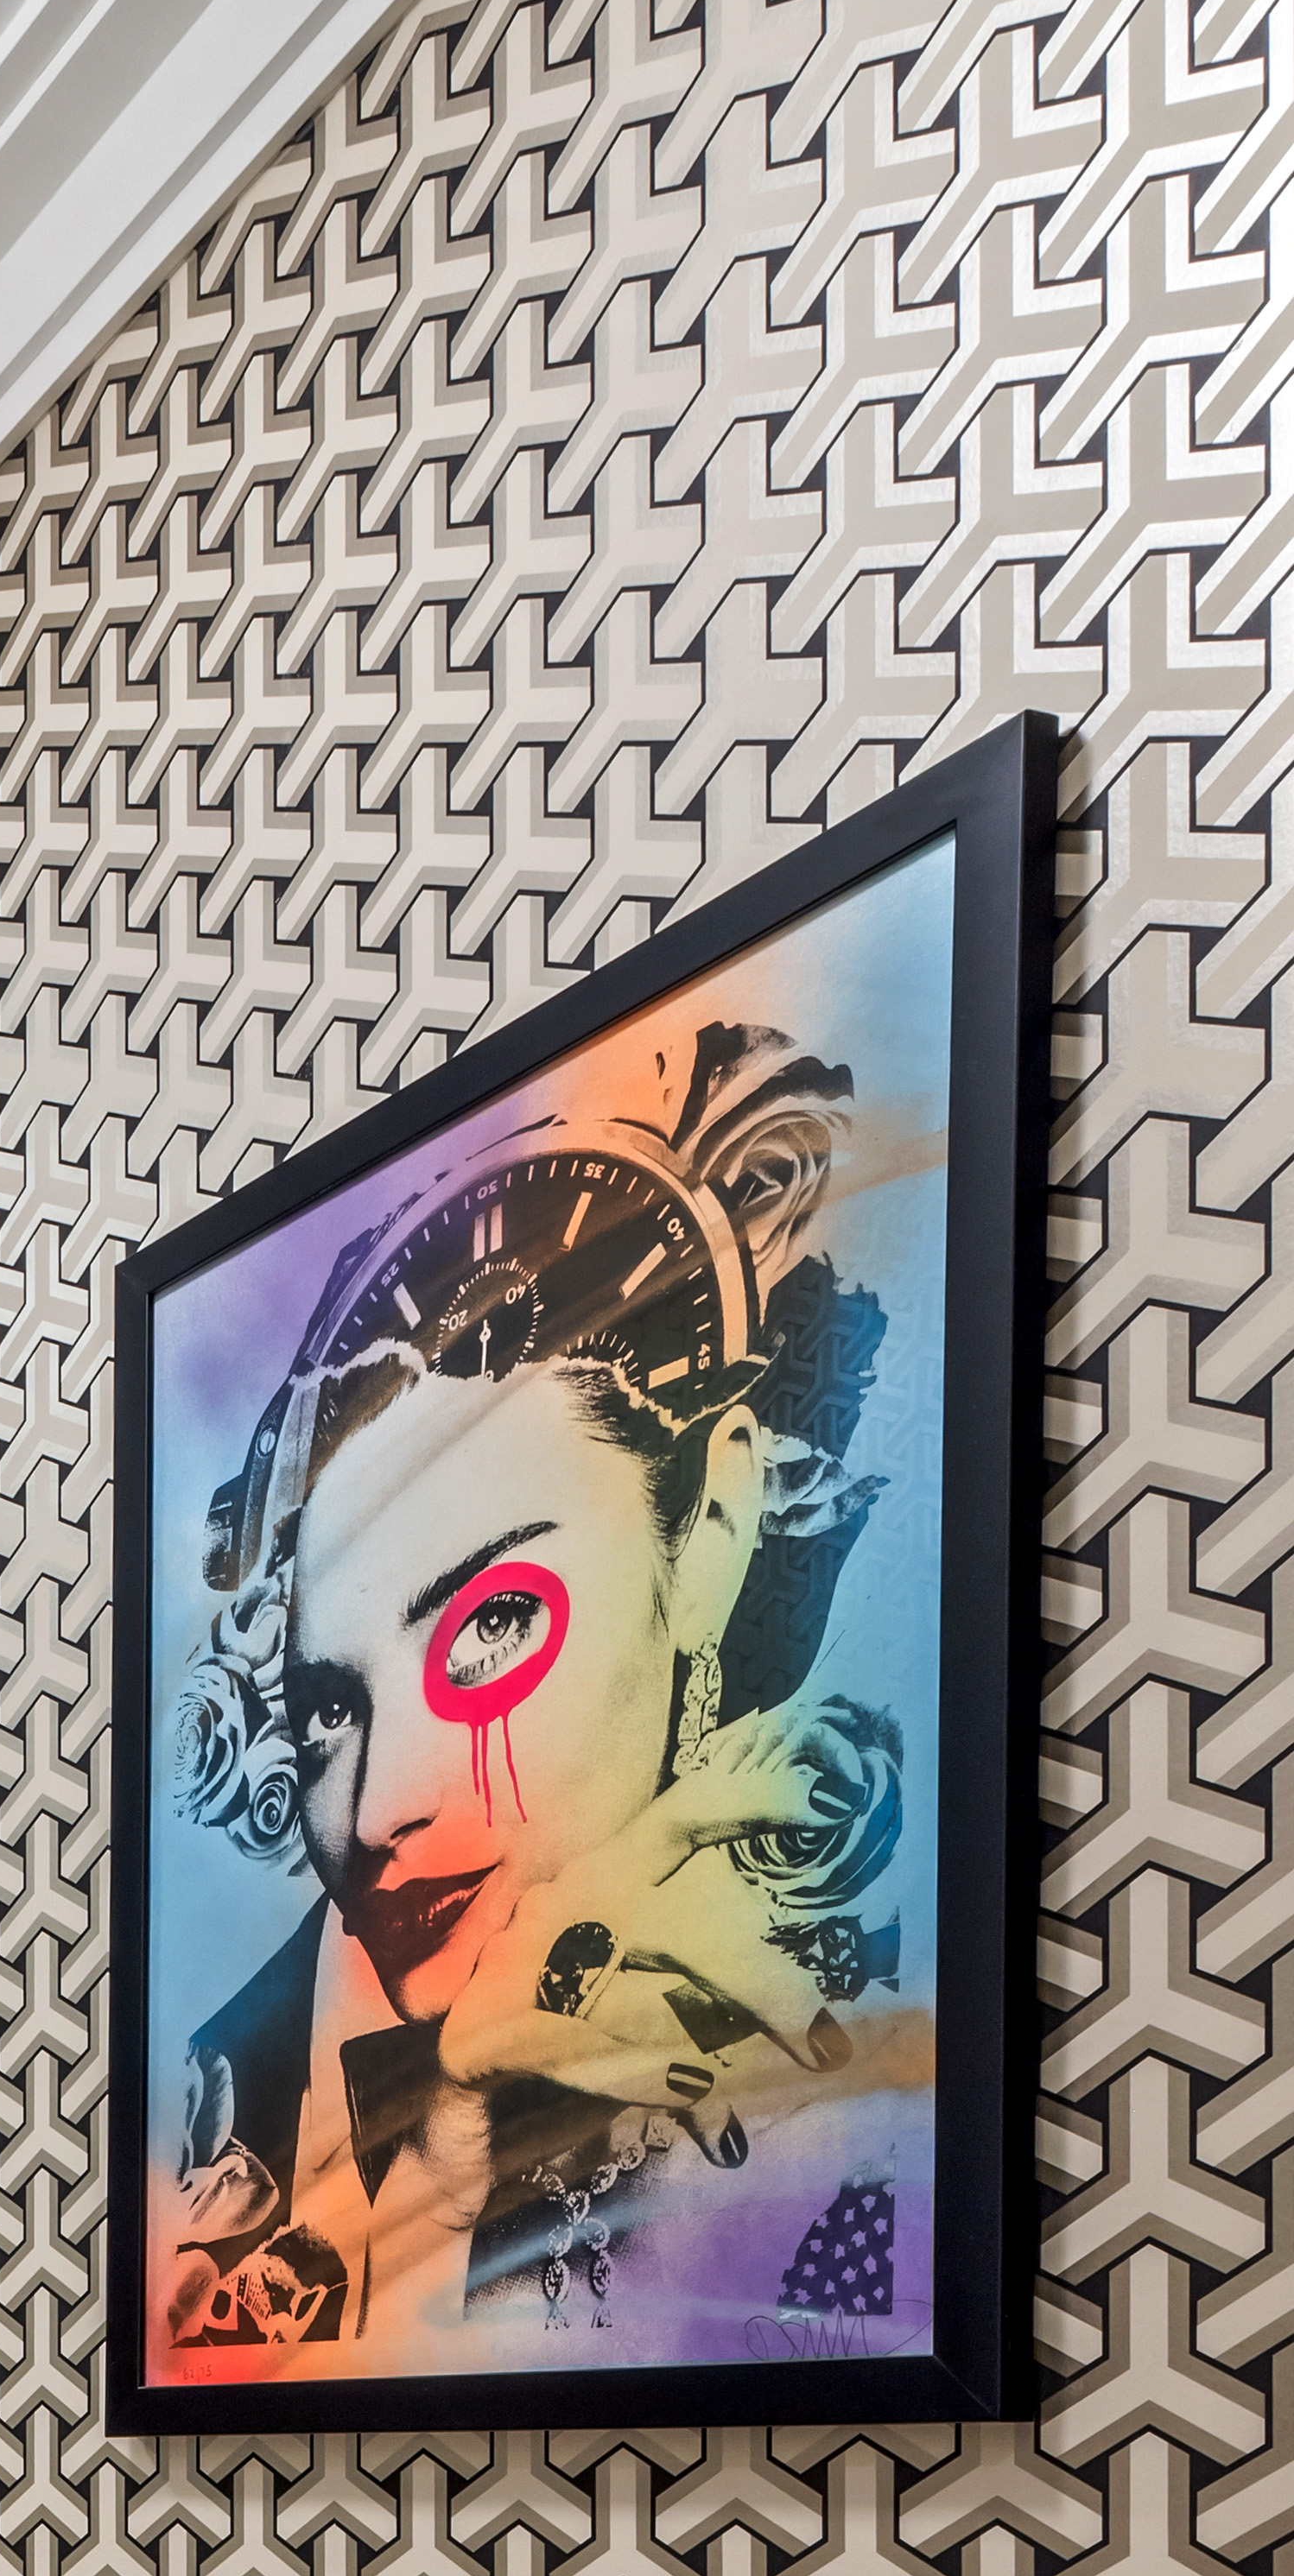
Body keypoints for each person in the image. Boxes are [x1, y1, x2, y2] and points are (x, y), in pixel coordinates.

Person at [158, 1009, 917, 2375]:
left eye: (494, 1624)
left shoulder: (846, 2117)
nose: (379, 1806)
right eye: (332, 1706)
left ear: (718, 1526)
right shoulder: (220, 2098)